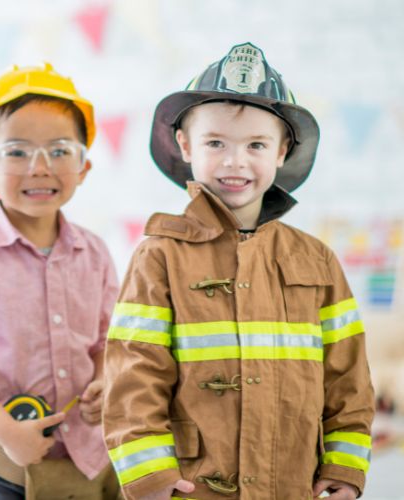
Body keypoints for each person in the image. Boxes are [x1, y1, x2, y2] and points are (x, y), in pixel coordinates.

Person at [102, 42, 374, 500]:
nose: (235, 161)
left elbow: (348, 378)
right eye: (215, 143)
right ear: (185, 146)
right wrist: (150, 478)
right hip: (192, 489)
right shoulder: (159, 256)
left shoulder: (318, 260)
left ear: (282, 151)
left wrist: (346, 469)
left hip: (293, 485)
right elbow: (133, 374)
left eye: (256, 145)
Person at [0, 62, 121, 499]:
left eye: (59, 151)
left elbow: (108, 342)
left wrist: (104, 381)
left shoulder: (94, 252)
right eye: (16, 152)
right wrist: (3, 430)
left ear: (84, 167)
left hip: (83, 460)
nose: (39, 167)